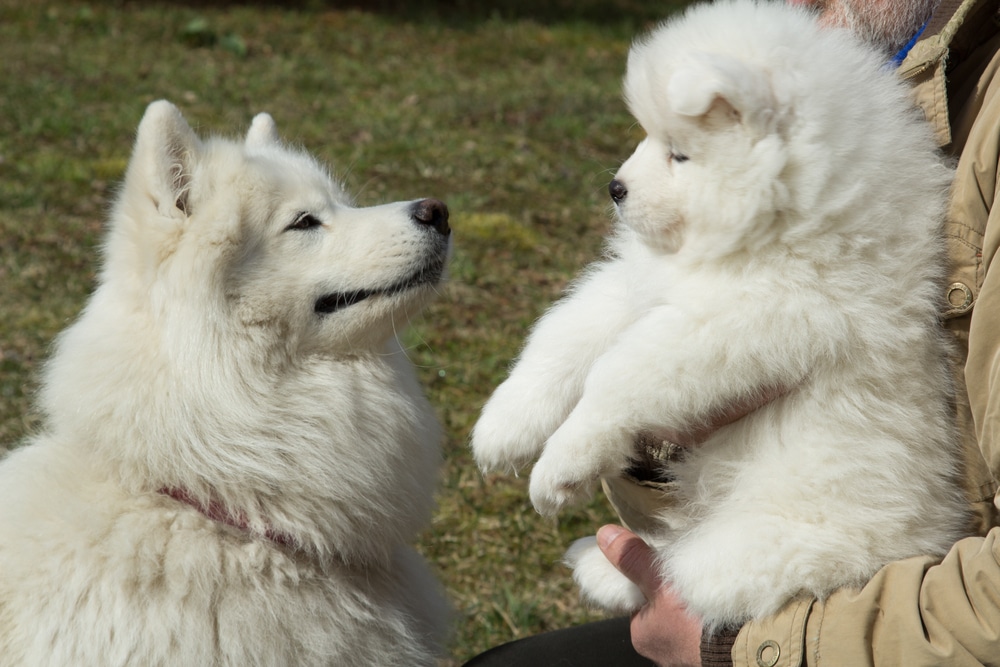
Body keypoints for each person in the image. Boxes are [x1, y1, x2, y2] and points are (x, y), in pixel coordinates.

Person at [465, 0, 1000, 665]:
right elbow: (628, 297)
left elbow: (722, 338)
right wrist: (542, 387)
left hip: (844, 570)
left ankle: (699, 579)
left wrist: (600, 421)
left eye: (677, 153)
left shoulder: (839, 219)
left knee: (733, 565)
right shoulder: (876, 77)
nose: (628, 175)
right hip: (801, 565)